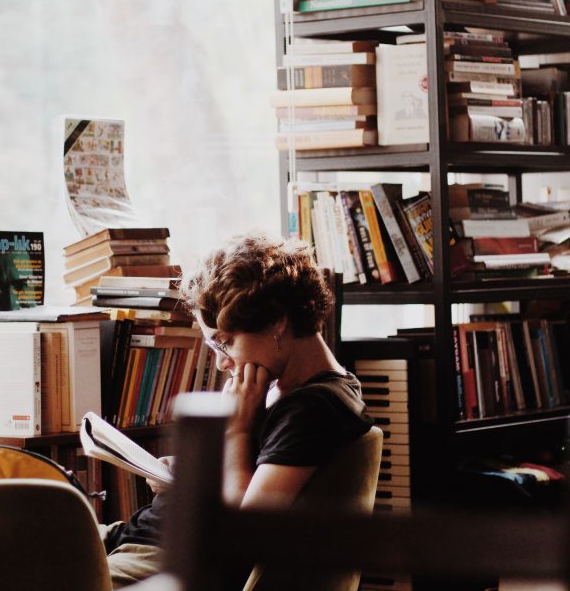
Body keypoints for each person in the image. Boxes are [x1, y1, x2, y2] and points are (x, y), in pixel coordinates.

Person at [101, 233, 374, 589]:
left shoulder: (313, 408)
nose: (221, 363)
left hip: (161, 558)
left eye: (226, 343)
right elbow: (248, 477)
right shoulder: (288, 391)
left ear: (277, 321)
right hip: (140, 539)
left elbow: (244, 533)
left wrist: (237, 431)